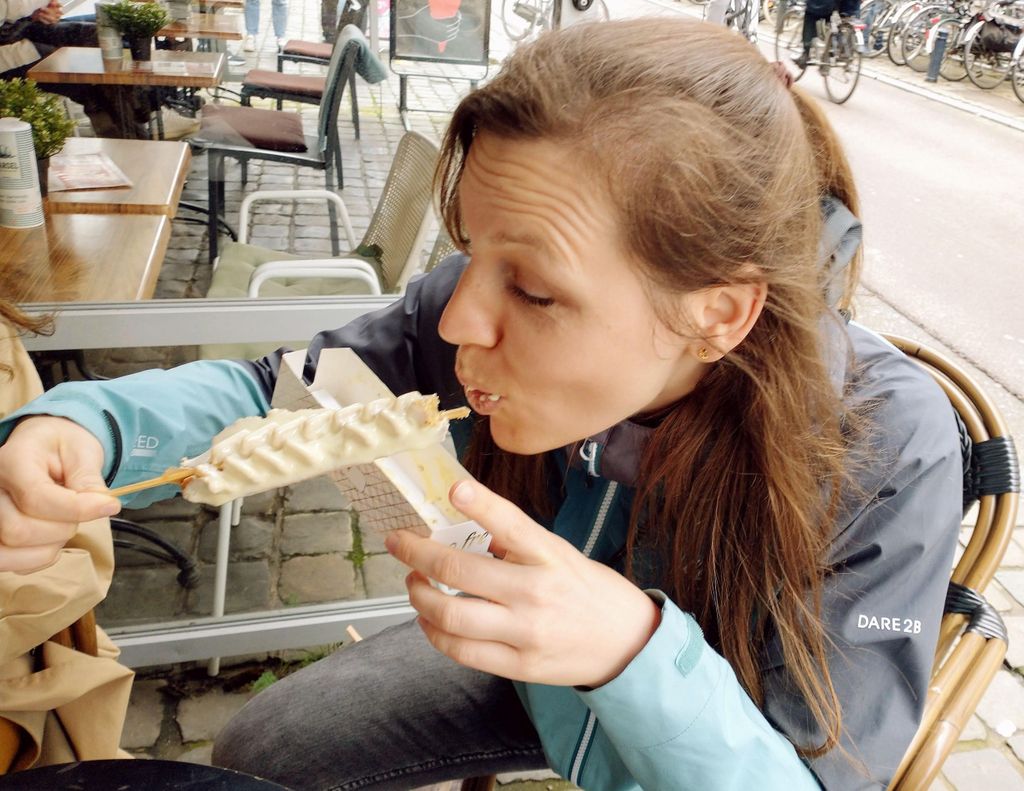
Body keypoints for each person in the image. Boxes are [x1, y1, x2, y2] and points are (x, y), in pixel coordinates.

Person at [0, 18, 962, 790]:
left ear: (719, 312)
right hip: (523, 671)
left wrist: (628, 653)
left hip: (710, 724)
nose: (460, 320)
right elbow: (285, 393)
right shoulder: (460, 313)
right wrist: (85, 424)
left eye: (535, 291)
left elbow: (823, 771)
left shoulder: (888, 448)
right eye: (467, 254)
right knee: (274, 741)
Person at [0, 0, 148, 138]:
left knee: (102, 38)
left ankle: (135, 109)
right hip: (7, 53)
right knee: (90, 78)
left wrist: (39, 12)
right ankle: (130, 135)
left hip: (23, 28)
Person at [794, 0, 861, 68]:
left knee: (811, 11)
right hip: (851, 7)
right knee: (847, 18)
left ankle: (806, 52)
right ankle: (842, 49)